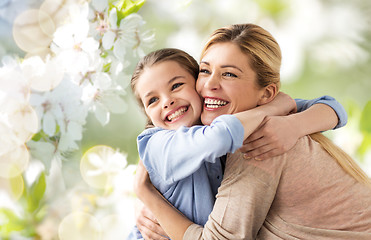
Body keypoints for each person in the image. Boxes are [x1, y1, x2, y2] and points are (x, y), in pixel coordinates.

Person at [133, 23, 371, 240]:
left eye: (229, 74)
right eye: (205, 71)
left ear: (266, 94)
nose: (210, 85)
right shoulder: (175, 138)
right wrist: (279, 108)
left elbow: (332, 107)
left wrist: (151, 200)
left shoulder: (263, 141)